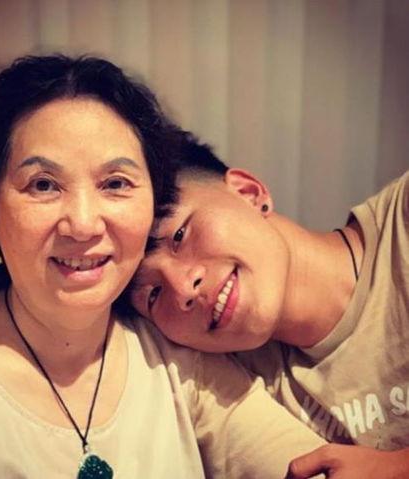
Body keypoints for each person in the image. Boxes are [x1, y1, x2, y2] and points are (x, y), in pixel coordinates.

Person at [0, 54, 327, 478]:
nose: (83, 224)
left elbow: (313, 466)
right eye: (43, 185)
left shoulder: (179, 364)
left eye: (115, 183)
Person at [130, 132, 409, 478]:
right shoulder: (232, 384)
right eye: (153, 294)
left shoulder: (401, 225)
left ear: (248, 193)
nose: (183, 288)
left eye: (179, 236)